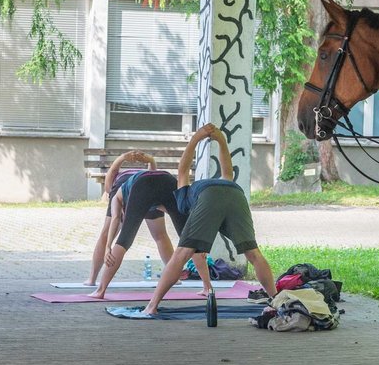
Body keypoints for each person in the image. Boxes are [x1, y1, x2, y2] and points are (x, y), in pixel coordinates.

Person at [139, 123, 277, 316]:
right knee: (253, 253)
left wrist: (196, 138)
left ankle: (151, 306)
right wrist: (220, 139)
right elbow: (227, 170)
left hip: (210, 195)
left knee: (180, 254)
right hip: (236, 194)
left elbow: (182, 170)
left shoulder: (182, 194)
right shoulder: (219, 182)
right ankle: (277, 301)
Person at [88, 163, 213, 298]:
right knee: (189, 241)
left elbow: (116, 219)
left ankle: (100, 291)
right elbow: (181, 213)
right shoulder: (130, 193)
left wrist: (108, 248)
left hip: (144, 184)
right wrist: (199, 244)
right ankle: (208, 287)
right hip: (168, 180)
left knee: (124, 240)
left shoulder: (117, 196)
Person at [83, 150, 185, 289]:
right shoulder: (120, 190)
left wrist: (122, 158)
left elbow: (111, 179)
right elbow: (152, 174)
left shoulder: (115, 190)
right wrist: (149, 160)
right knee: (160, 236)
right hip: (150, 189)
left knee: (109, 235)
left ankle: (93, 279)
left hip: (142, 189)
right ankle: (175, 276)